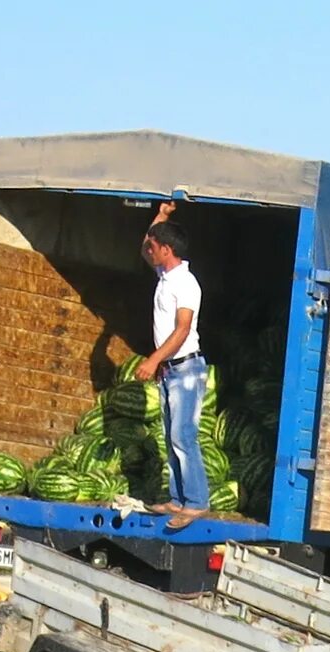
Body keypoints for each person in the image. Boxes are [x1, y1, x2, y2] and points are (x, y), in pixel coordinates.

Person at [133, 213, 209, 519]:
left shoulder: (186, 283)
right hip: (171, 370)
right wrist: (160, 217)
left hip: (186, 370)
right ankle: (178, 499)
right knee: (171, 436)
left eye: (153, 246)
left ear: (166, 249)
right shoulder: (165, 276)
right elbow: (143, 248)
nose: (149, 250)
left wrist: (153, 359)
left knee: (183, 435)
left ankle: (197, 502)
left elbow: (182, 329)